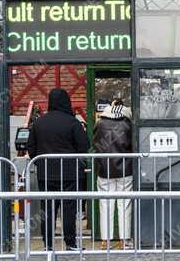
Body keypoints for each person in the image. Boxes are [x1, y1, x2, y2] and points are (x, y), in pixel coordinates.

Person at [27, 89, 88, 252]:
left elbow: (31, 147)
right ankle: (70, 243)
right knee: (68, 208)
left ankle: (48, 245)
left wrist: (40, 162)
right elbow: (84, 146)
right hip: (69, 172)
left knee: (47, 209)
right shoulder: (72, 122)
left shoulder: (39, 122)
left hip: (45, 172)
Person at [92, 99, 133, 247]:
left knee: (106, 204)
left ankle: (106, 240)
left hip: (104, 169)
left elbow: (95, 144)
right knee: (124, 204)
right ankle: (124, 240)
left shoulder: (100, 123)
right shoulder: (128, 123)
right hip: (125, 169)